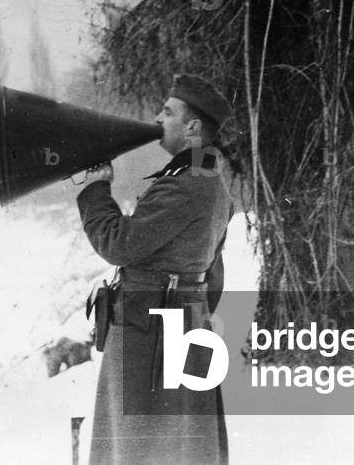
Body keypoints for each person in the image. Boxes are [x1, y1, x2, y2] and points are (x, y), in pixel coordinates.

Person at [77, 73, 233, 465]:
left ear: (192, 127)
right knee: (178, 449)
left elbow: (118, 244)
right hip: (178, 327)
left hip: (151, 335)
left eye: (168, 112)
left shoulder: (186, 183)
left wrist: (95, 188)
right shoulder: (210, 179)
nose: (158, 119)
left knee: (137, 450)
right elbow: (214, 277)